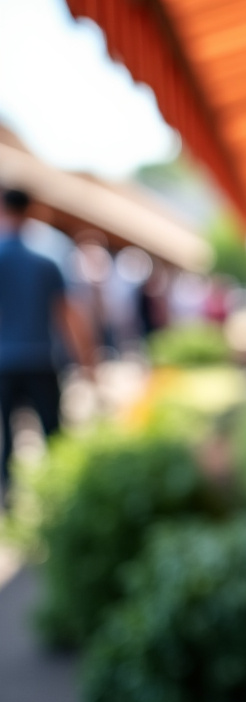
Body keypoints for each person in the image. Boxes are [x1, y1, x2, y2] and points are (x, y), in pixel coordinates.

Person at [0, 188, 93, 510]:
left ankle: (8, 501)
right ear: (30, 213)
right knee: (53, 435)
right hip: (41, 360)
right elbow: (68, 318)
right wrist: (87, 364)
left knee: (6, 439)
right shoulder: (45, 264)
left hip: (4, 364)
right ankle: (60, 499)